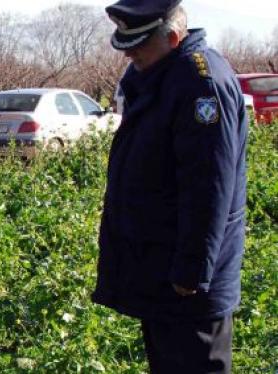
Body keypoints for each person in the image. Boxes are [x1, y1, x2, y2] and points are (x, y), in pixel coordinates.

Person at [92, 1, 248, 373]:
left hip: (189, 286)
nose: (128, 53)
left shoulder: (200, 84)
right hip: (162, 270)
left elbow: (208, 185)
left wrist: (192, 270)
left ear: (173, 38)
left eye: (138, 44)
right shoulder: (161, 75)